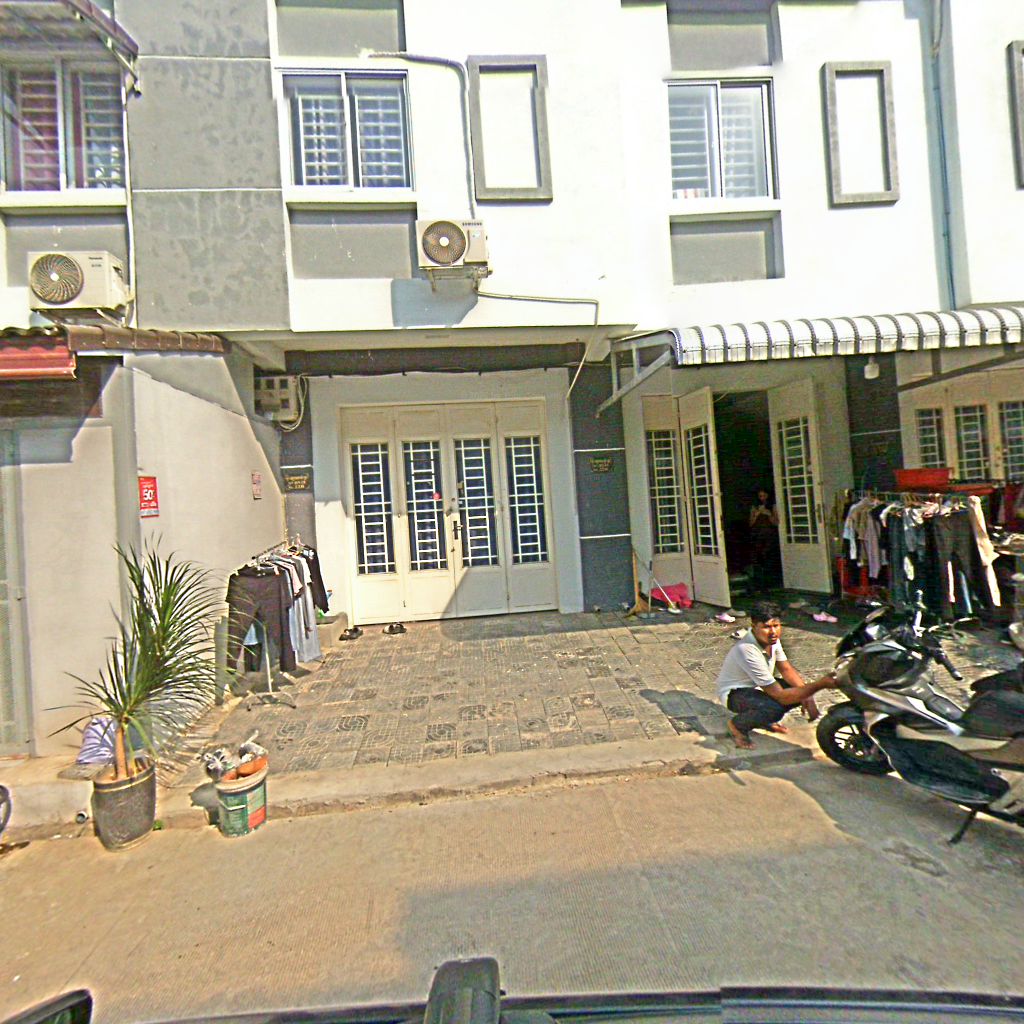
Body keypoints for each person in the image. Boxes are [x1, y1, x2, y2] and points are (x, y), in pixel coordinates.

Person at [716, 599, 840, 749]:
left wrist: (807, 696)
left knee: (798, 691)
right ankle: (737, 726)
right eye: (766, 627)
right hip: (734, 693)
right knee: (774, 709)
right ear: (754, 626)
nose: (773, 632)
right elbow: (780, 696)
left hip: (756, 685)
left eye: (776, 626)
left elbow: (786, 669)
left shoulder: (772, 639)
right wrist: (819, 685)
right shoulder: (748, 650)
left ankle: (761, 719)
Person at [748, 489, 779, 589]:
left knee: (769, 557)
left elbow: (776, 522)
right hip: (757, 536)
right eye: (760, 496)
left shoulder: (772, 506)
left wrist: (769, 514)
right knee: (758, 558)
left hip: (769, 536)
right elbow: (750, 523)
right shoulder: (755, 507)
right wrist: (756, 515)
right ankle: (759, 582)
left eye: (764, 496)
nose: (762, 498)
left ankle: (770, 581)